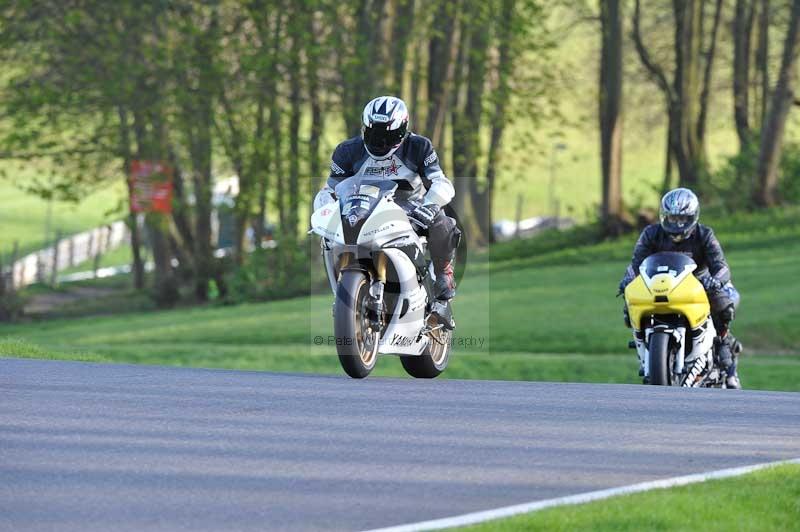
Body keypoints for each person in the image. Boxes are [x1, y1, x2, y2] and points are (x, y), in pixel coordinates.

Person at [314, 96, 460, 329]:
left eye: (387, 136)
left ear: (402, 130)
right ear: (364, 128)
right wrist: (323, 214)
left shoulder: (419, 147)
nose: (380, 142)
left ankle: (443, 277)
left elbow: (441, 183)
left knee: (444, 222)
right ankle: (344, 292)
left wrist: (430, 205)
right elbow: (329, 191)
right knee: (329, 240)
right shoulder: (347, 151)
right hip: (363, 209)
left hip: (411, 210)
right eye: (374, 135)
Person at [619, 188, 742, 389]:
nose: (677, 224)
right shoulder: (651, 234)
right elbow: (635, 264)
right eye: (672, 218)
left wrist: (716, 281)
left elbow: (721, 266)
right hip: (658, 284)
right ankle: (644, 345)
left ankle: (726, 357)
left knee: (724, 306)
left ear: (693, 217)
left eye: (682, 219)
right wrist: (627, 280)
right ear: (663, 216)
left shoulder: (705, 234)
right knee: (629, 301)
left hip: (699, 284)